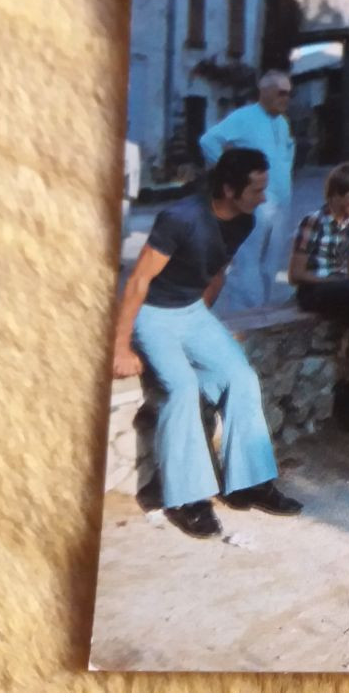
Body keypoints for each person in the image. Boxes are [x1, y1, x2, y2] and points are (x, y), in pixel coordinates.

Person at [110, 148, 303, 539]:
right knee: (181, 389)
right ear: (229, 189)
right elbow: (138, 282)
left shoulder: (244, 220)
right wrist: (120, 347)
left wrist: (204, 331)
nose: (264, 198)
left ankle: (249, 483)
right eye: (257, 189)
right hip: (152, 314)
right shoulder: (180, 218)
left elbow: (214, 274)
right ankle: (185, 498)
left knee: (241, 377)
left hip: (192, 312)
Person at [199, 70, 296, 313]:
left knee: (271, 263)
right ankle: (245, 315)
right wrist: (232, 174)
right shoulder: (244, 117)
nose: (286, 99)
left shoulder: (282, 123)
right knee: (248, 260)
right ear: (265, 92)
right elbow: (208, 141)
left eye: (288, 94)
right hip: (254, 202)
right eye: (281, 93)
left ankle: (261, 311)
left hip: (281, 203)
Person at [288, 161, 349, 432]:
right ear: (336, 196)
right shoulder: (314, 221)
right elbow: (296, 273)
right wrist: (336, 281)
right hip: (315, 289)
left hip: (345, 290)